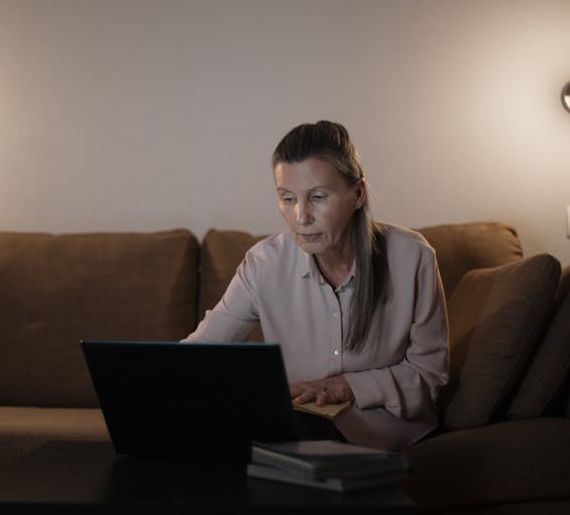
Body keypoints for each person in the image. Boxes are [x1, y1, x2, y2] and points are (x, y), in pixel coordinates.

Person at [184, 120, 449, 450]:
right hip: (297, 430)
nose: (300, 216)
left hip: (388, 433)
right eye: (287, 198)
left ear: (358, 194)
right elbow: (200, 353)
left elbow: (430, 375)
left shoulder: (413, 257)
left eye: (318, 196)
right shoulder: (263, 263)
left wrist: (347, 386)